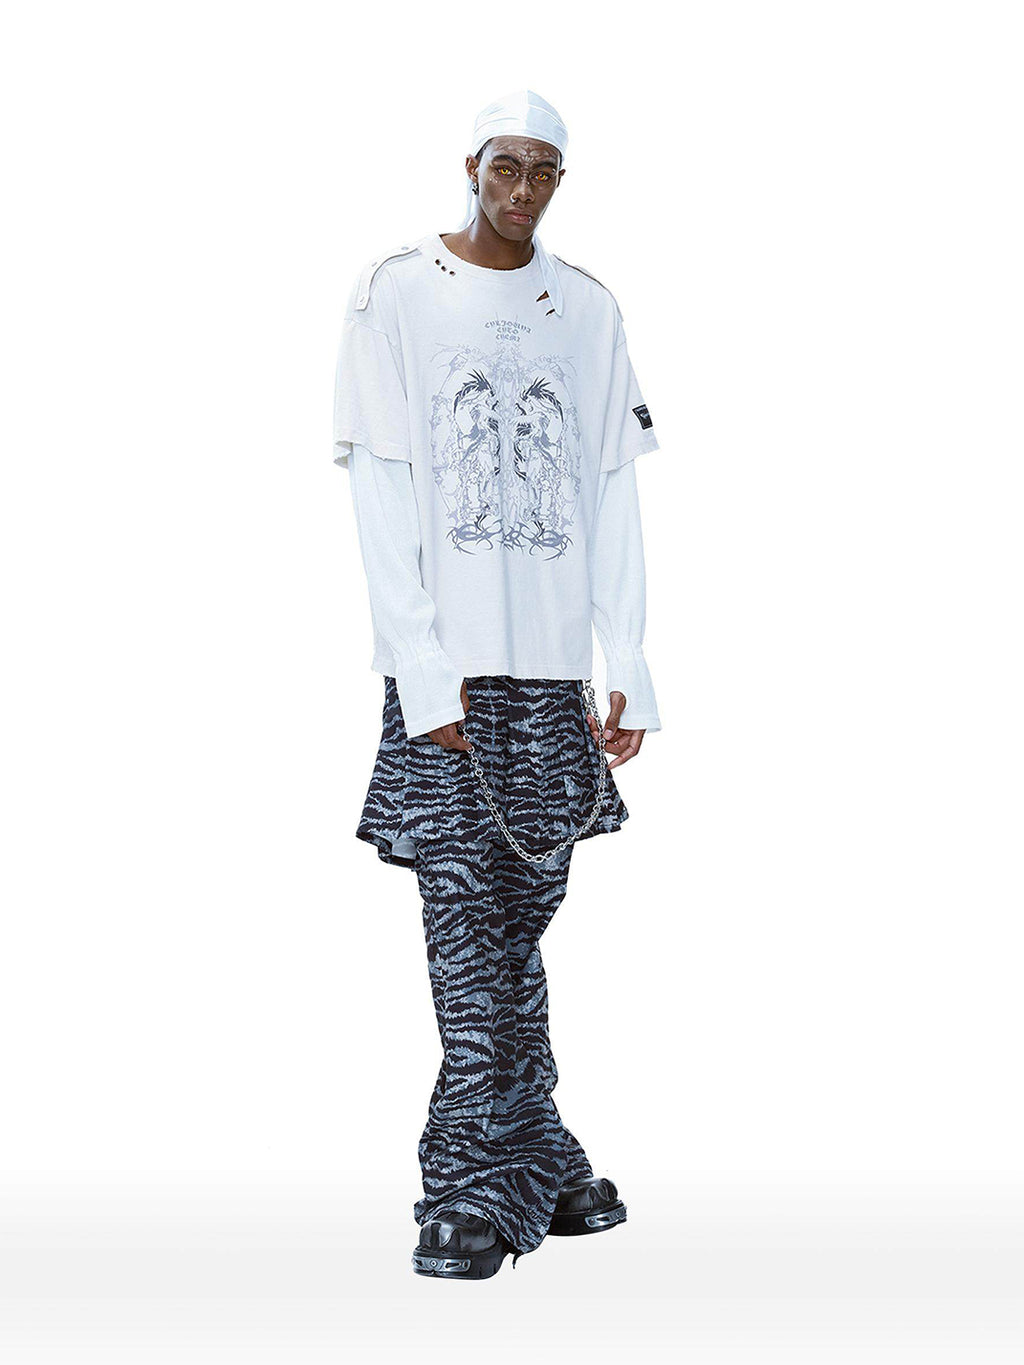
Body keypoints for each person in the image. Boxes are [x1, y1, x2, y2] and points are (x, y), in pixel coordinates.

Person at [332, 90, 661, 1280]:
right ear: (470, 164)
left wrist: (626, 662)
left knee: (518, 925)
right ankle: (471, 1186)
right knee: (469, 930)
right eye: (506, 167)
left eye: (544, 173)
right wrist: (421, 667)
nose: (523, 190)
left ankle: (542, 1154)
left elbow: (612, 488)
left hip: (553, 676)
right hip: (452, 675)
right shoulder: (396, 293)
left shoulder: (590, 309)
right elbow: (379, 485)